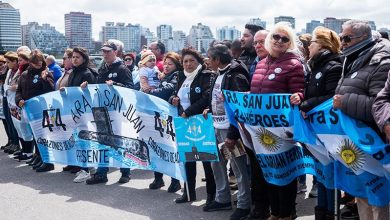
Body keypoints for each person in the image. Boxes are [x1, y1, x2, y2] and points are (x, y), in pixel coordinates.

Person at [333, 19, 390, 220]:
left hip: (373, 142)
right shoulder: (352, 58)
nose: (342, 42)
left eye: (346, 38)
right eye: (341, 37)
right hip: (356, 140)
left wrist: (345, 101)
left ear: (363, 37)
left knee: (379, 198)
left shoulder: (381, 62)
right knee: (361, 194)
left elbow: (380, 106)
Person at [251, 22, 305, 220]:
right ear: (269, 38)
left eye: (285, 39)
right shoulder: (261, 63)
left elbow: (299, 89)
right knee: (269, 171)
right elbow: (257, 91)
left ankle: (286, 213)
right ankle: (274, 212)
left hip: (282, 129)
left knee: (285, 172)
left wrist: (298, 96)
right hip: (262, 129)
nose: (279, 41)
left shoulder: (293, 64)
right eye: (276, 37)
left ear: (289, 43)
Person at [291, 26, 343, 220]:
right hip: (316, 128)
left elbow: (330, 97)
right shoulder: (316, 66)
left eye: (311, 43)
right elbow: (312, 93)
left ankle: (331, 212)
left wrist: (305, 105)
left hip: (328, 130)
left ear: (321, 45)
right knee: (320, 173)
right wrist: (301, 97)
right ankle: (321, 210)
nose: (308, 47)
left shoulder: (334, 66)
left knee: (329, 174)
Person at [202, 43, 252, 220]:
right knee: (217, 163)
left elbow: (239, 108)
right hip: (216, 126)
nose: (207, 61)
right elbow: (215, 97)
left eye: (209, 57)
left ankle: (244, 204)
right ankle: (222, 198)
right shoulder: (217, 74)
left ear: (217, 59)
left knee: (238, 167)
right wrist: (210, 108)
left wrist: (233, 134)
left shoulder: (236, 75)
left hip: (230, 130)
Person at [170, 47, 216, 204]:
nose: (188, 64)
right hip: (184, 123)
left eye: (192, 61)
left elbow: (206, 97)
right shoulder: (181, 75)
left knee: (206, 161)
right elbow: (176, 94)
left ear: (199, 62)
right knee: (187, 159)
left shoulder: (206, 76)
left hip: (201, 121)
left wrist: (188, 112)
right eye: (185, 61)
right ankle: (189, 193)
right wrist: (173, 99)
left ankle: (211, 196)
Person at [85, 40, 134, 185]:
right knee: (102, 141)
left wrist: (116, 85)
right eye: (103, 51)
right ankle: (101, 173)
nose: (105, 54)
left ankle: (125, 172)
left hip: (117, 111)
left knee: (119, 141)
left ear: (115, 52)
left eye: (108, 51)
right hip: (102, 110)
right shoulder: (103, 68)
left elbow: (131, 88)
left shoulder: (123, 69)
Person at [147, 52, 182, 193]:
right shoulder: (164, 77)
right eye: (165, 63)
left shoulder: (177, 76)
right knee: (157, 148)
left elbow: (167, 91)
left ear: (176, 65)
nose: (166, 66)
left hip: (171, 119)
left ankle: (175, 181)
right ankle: (158, 178)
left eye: (170, 64)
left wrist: (152, 91)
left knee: (171, 150)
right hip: (159, 118)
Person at [16, 49, 55, 172]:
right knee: (35, 135)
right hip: (30, 111)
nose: (38, 64)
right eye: (35, 62)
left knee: (43, 136)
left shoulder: (46, 73)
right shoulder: (25, 74)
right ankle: (39, 156)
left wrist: (44, 79)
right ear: (31, 62)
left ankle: (48, 161)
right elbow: (18, 91)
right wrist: (19, 100)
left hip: (42, 111)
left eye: (40, 61)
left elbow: (50, 91)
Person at [247, 29, 272, 220]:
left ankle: (283, 210)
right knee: (256, 170)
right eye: (255, 42)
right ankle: (259, 208)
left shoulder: (285, 63)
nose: (257, 46)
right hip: (255, 127)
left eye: (262, 42)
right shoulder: (254, 64)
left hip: (275, 128)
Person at [1, 52, 20, 154]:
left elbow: (17, 85)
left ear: (15, 61)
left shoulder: (19, 71)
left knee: (14, 123)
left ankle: (16, 144)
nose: (6, 64)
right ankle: (12, 142)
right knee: (8, 121)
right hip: (7, 97)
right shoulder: (9, 71)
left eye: (8, 62)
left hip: (13, 100)